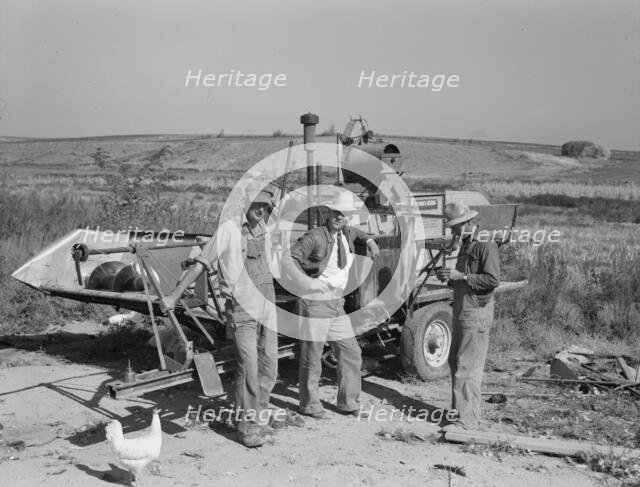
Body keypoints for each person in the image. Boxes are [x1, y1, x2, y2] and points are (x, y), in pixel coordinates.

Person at [161, 189, 277, 447]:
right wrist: (174, 296)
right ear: (246, 204)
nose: (261, 210)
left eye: (266, 207)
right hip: (243, 309)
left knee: (269, 368)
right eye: (257, 205)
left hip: (267, 307)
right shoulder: (229, 230)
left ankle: (259, 415)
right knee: (249, 368)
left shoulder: (266, 231)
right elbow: (201, 263)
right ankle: (247, 428)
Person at [282, 192, 380, 418]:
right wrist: (308, 284)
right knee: (312, 355)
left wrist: (370, 240)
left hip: (337, 303)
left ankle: (348, 402)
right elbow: (289, 259)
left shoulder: (346, 232)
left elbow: (356, 232)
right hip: (316, 302)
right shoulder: (315, 236)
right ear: (327, 213)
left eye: (344, 215)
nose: (340, 217)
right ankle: (309, 405)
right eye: (336, 213)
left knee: (351, 351)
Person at [436, 201, 500, 430]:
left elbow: (492, 281)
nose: (452, 231)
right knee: (456, 361)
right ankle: (459, 412)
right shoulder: (466, 244)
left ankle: (467, 421)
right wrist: (451, 277)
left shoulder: (485, 244)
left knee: (468, 365)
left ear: (467, 223)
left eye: (455, 227)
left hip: (476, 312)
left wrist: (461, 277)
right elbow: (464, 276)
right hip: (463, 310)